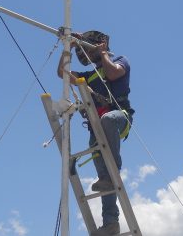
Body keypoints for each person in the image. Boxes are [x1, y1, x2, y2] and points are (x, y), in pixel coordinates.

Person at [57, 30, 134, 236]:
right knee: (105, 181)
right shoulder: (88, 74)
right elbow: (62, 74)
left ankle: (112, 171)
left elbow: (113, 74)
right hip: (96, 128)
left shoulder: (120, 60)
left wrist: (104, 54)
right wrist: (69, 48)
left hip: (119, 117)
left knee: (107, 120)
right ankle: (111, 224)